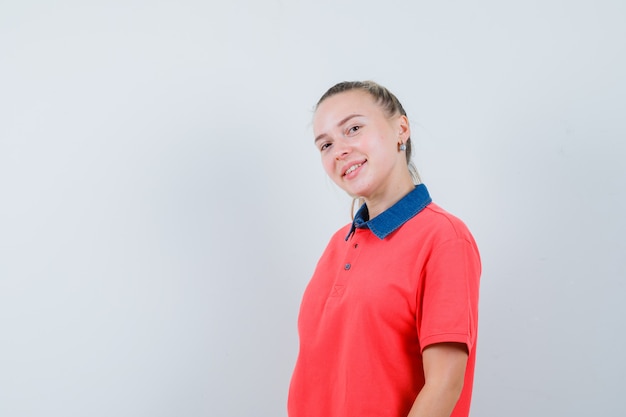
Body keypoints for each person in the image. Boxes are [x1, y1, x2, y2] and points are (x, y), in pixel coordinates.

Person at [288, 81, 481, 417]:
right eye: (325, 145)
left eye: (354, 128)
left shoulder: (443, 237)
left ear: (400, 129)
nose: (339, 150)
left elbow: (445, 384)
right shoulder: (337, 245)